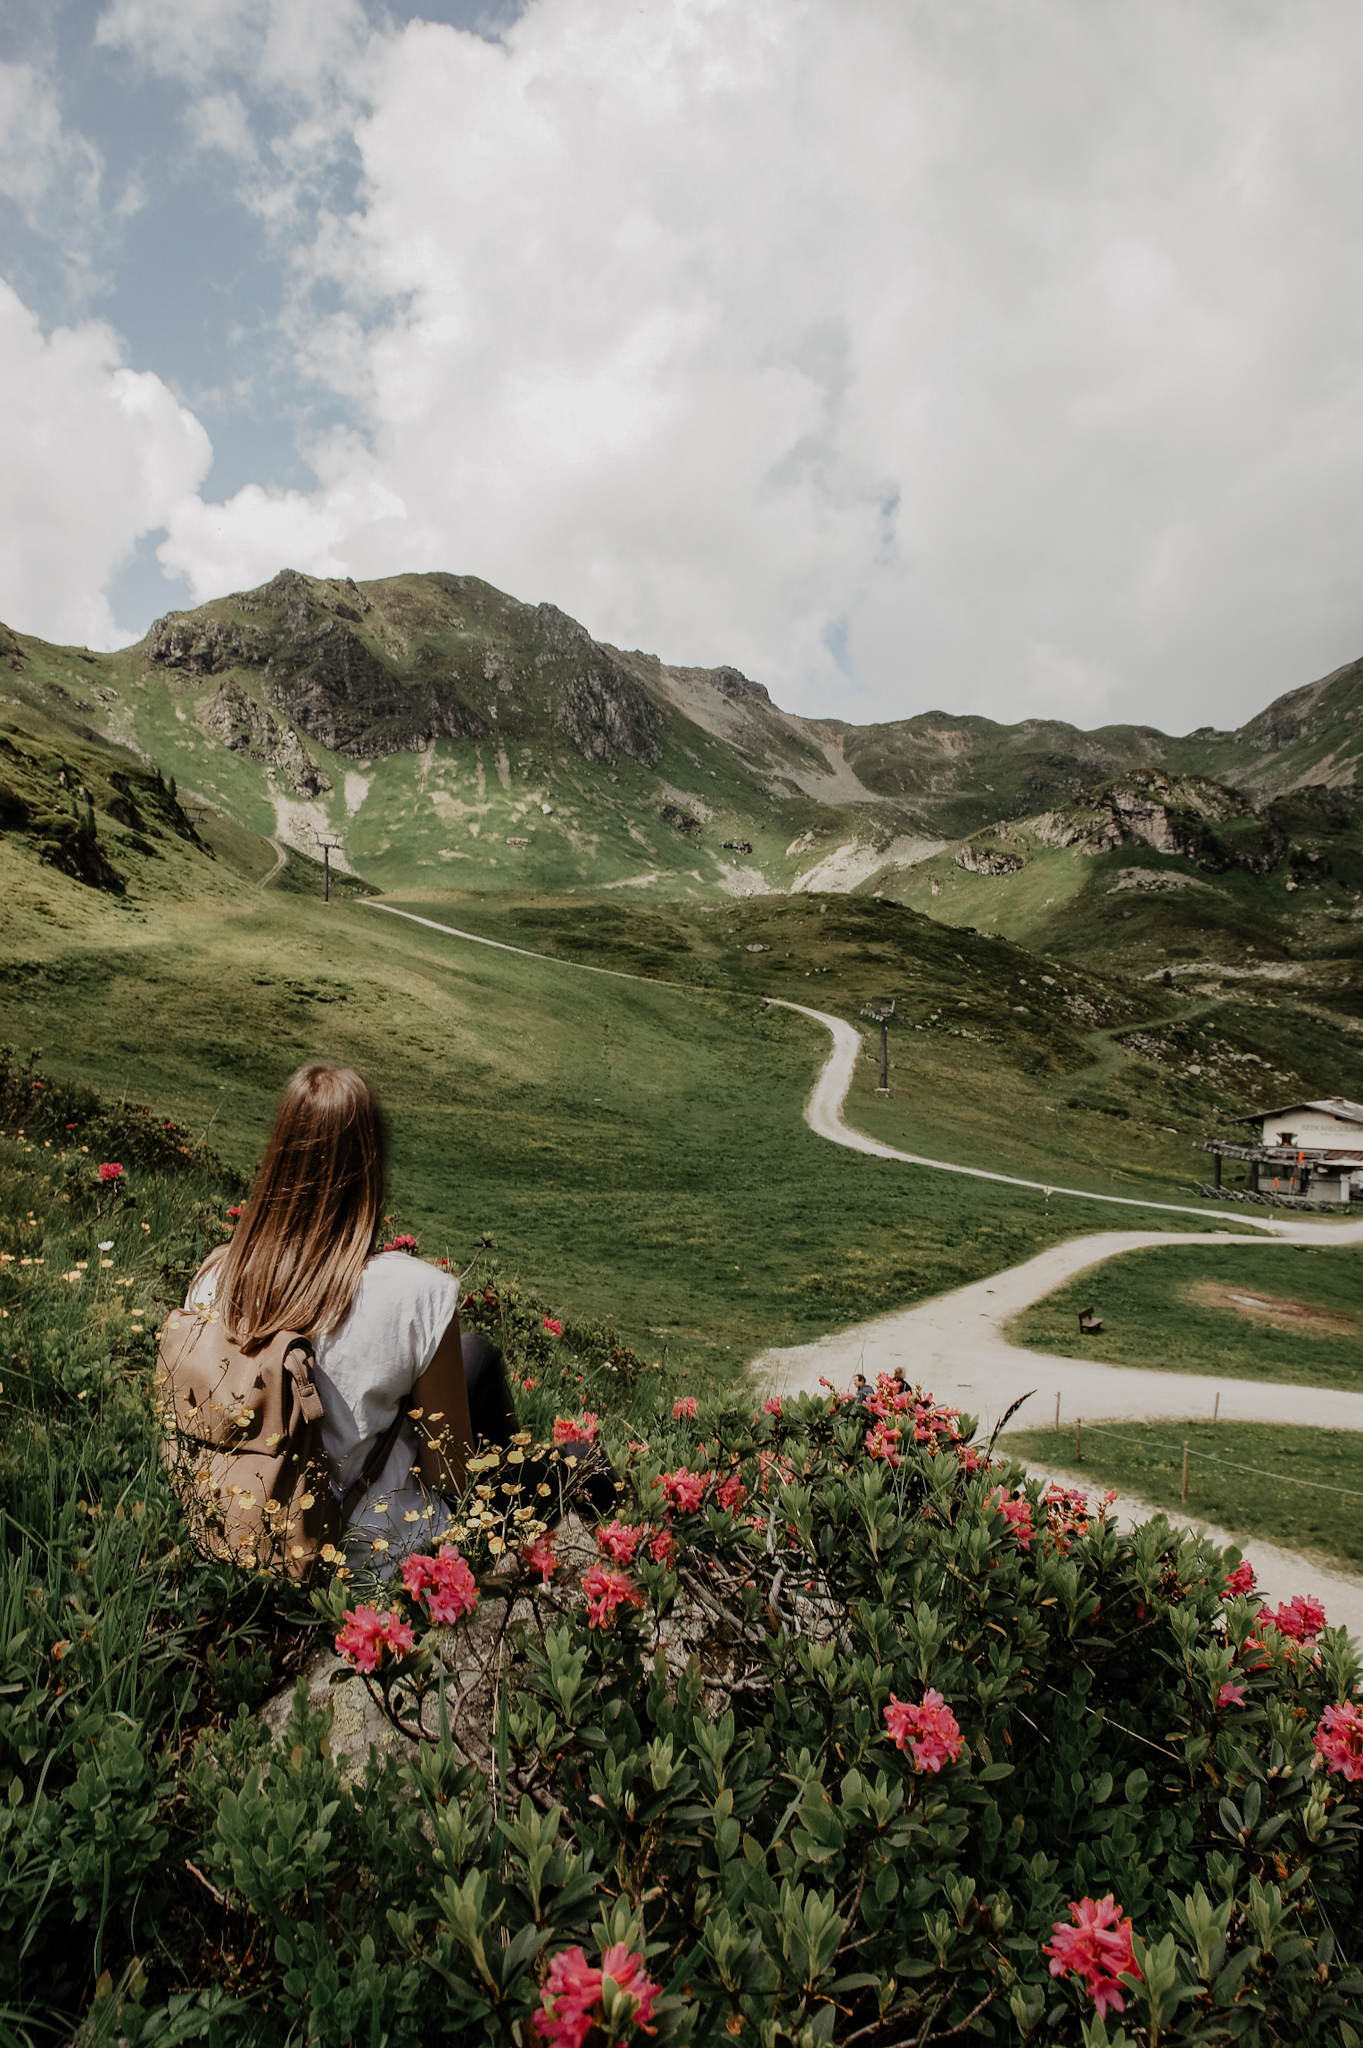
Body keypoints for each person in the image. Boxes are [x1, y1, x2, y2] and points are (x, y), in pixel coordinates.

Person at [181, 1061, 521, 1570]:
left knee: (478, 1358)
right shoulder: (417, 1293)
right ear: (370, 1165)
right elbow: (449, 1477)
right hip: (369, 1558)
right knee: (537, 1423)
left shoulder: (216, 1277)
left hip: (230, 1525)